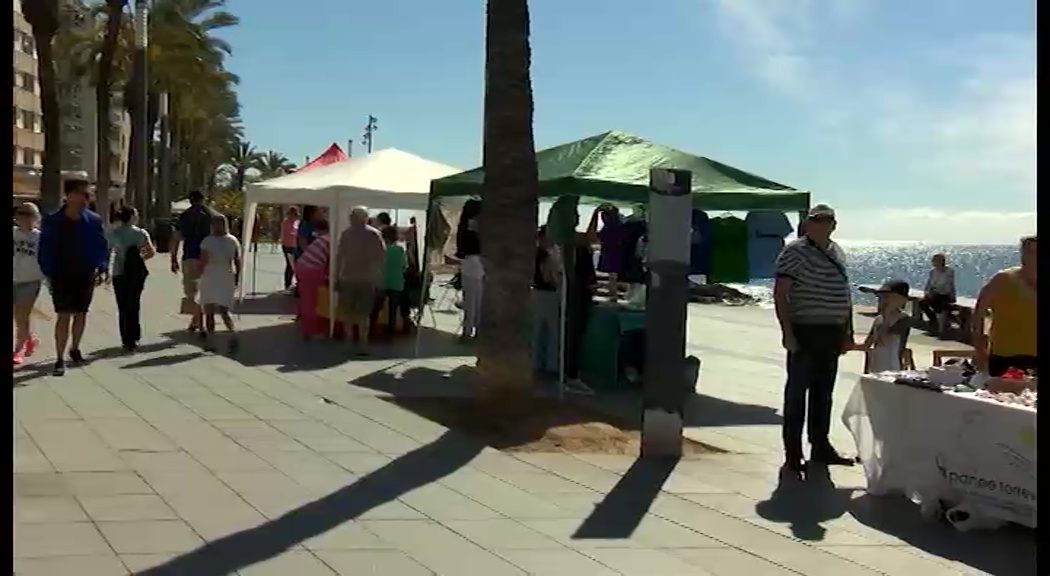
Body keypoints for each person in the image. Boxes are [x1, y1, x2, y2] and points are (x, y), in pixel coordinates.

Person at [773, 203, 855, 475]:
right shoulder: (795, 251)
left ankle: (820, 446)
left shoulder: (837, 251)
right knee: (797, 394)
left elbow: (844, 292)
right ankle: (793, 454)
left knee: (824, 393)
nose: (821, 224)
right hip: (806, 330)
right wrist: (787, 332)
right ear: (807, 224)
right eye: (815, 220)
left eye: (826, 220)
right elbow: (781, 293)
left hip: (832, 331)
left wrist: (848, 331)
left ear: (834, 224)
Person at [37, 179, 109, 376]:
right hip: (61, 273)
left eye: (88, 195)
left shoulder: (94, 220)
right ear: (68, 196)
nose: (86, 199)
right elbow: (45, 248)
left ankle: (75, 348)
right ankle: (60, 358)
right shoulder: (52, 220)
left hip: (85, 272)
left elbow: (102, 245)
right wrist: (48, 272)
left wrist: (102, 267)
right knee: (64, 314)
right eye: (82, 194)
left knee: (81, 313)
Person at [972, 236, 1037, 377]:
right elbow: (979, 312)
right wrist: (979, 347)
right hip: (1007, 356)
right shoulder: (1003, 279)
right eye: (1028, 252)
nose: (1031, 256)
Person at [335, 206, 386, 355]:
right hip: (367, 278)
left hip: (348, 277)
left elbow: (340, 257)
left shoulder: (346, 234)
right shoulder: (375, 234)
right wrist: (378, 278)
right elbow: (381, 258)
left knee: (347, 311)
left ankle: (349, 340)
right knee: (364, 313)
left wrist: (337, 276)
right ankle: (363, 343)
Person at [108, 206, 156, 352]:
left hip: (118, 272)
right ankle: (134, 334)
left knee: (122, 306)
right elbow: (151, 252)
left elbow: (108, 251)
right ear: (133, 217)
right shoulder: (141, 233)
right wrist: (139, 259)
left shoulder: (114, 233)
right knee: (134, 303)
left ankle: (125, 338)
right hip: (135, 274)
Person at [169, 190, 217, 333]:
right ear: (204, 199)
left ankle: (199, 323)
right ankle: (197, 321)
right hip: (209, 258)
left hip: (190, 256)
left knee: (191, 292)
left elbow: (176, 237)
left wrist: (173, 259)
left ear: (190, 200)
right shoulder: (213, 216)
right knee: (205, 291)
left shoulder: (185, 216)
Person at [198, 214, 243, 353]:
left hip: (211, 275)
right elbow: (238, 261)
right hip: (225, 274)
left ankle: (212, 340)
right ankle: (232, 334)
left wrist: (198, 273)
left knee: (210, 308)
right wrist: (237, 276)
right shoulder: (233, 241)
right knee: (222, 309)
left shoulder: (208, 241)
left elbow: (203, 259)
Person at [13, 202, 44, 366]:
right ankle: (30, 339)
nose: (24, 218)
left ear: (36, 218)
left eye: (28, 214)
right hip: (14, 278)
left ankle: (18, 350)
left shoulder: (39, 237)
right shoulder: (13, 233)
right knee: (18, 316)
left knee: (21, 316)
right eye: (21, 214)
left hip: (30, 280)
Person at [859, 280, 912, 373]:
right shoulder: (879, 319)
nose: (883, 301)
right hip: (875, 367)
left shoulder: (903, 319)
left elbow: (884, 339)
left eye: (887, 297)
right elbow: (867, 345)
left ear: (902, 300)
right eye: (880, 298)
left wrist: (886, 315)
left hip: (892, 368)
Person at [532, 225, 562, 375]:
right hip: (548, 293)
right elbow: (548, 276)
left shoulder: (537, 253)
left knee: (538, 330)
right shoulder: (546, 254)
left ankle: (537, 363)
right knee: (553, 331)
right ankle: (552, 365)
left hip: (537, 292)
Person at [294, 219, 332, 338]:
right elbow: (331, 262)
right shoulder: (331, 241)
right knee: (314, 300)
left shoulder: (323, 238)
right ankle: (312, 330)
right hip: (313, 269)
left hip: (302, 265)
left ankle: (307, 328)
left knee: (307, 299)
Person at [455, 199, 482, 342]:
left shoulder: (465, 226)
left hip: (469, 263)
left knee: (470, 300)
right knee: (479, 300)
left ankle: (467, 330)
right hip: (481, 262)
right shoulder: (481, 226)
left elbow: (461, 248)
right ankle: (477, 329)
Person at [378, 224, 407, 338]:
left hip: (382, 281)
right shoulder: (400, 250)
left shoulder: (381, 250)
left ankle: (372, 328)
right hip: (397, 282)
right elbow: (404, 266)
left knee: (377, 307)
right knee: (393, 309)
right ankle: (391, 330)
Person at [919, 253, 956, 334]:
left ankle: (940, 328)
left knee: (940, 305)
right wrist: (926, 292)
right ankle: (934, 321)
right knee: (922, 303)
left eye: (935, 261)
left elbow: (948, 285)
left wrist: (936, 291)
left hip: (945, 295)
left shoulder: (949, 272)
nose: (933, 263)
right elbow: (929, 284)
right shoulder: (932, 272)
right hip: (934, 294)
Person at [280, 207, 300, 292]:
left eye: (295, 214)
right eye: (292, 214)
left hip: (295, 246)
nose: (294, 216)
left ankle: (294, 283)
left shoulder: (297, 222)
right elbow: (289, 232)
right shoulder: (286, 222)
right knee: (290, 265)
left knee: (295, 266)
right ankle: (287, 284)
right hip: (287, 245)